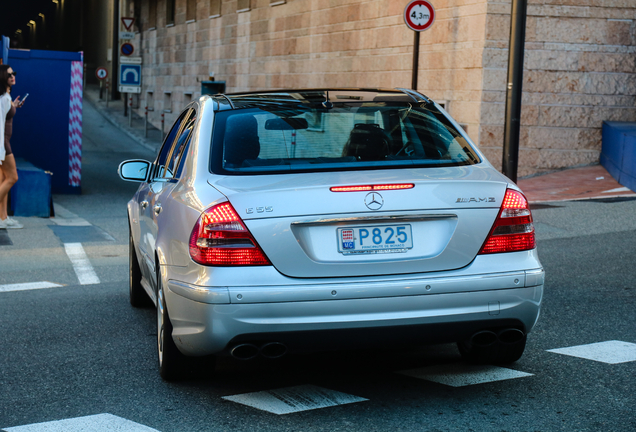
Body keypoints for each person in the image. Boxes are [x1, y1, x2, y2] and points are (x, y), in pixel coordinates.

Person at [0, 65, 24, 229]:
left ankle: (3, 218)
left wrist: (14, 105)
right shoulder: (2, 98)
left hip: (4, 142)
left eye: (13, 73)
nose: (13, 76)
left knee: (3, 179)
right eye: (9, 75)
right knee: (12, 177)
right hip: (2, 143)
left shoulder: (6, 97)